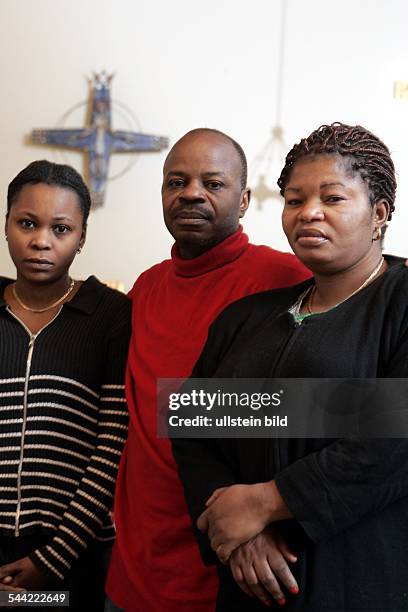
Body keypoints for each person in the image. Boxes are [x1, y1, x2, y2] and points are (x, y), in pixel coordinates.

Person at [172, 123, 408, 611]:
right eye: (295, 200)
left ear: (379, 213)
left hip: (360, 580)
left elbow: (395, 437)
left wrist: (266, 501)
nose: (309, 213)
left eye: (333, 198)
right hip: (247, 586)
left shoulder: (401, 302)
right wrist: (237, 530)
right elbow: (191, 422)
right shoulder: (246, 316)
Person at [105, 128, 310, 612]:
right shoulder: (146, 287)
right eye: (176, 181)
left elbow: (326, 411)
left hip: (234, 570)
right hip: (132, 569)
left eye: (212, 184)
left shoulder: (287, 280)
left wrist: (256, 515)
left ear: (243, 202)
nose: (191, 192)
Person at [0, 160, 131, 610]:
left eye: (61, 229)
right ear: (6, 225)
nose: (41, 241)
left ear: (81, 238)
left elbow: (112, 442)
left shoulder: (110, 315)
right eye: (27, 223)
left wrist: (53, 558)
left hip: (72, 553)